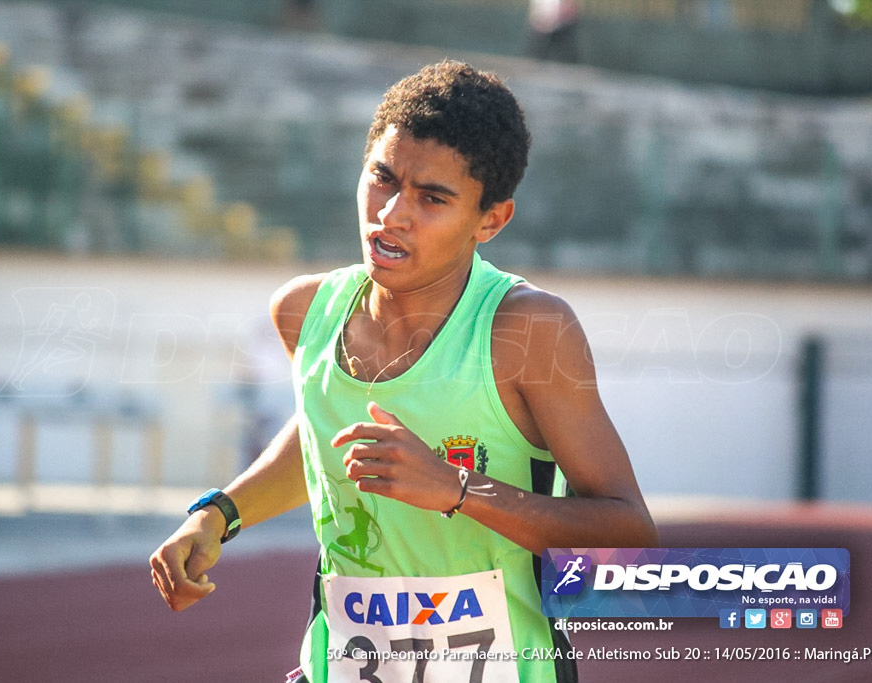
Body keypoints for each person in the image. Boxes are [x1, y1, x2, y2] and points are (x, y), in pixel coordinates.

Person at [150, 59, 657, 683]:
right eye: (381, 178)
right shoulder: (304, 312)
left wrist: (458, 491)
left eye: (432, 198)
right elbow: (321, 443)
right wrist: (217, 514)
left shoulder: (528, 332)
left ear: (490, 220)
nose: (391, 213)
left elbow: (626, 532)